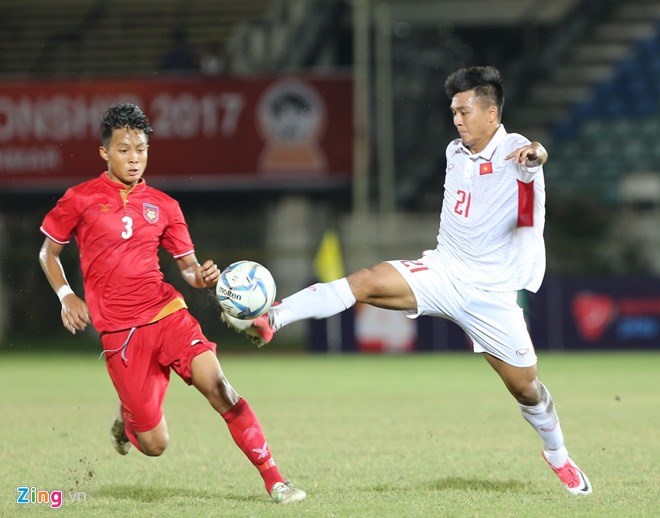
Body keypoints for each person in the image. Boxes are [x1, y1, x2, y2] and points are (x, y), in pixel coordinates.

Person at [223, 66, 593, 496]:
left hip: (492, 293)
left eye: (465, 111)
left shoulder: (512, 149)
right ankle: (275, 318)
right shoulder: (456, 151)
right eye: (453, 111)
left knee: (526, 387)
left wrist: (537, 154)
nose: (456, 119)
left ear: (491, 113)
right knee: (365, 280)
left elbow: (534, 155)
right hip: (443, 271)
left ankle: (558, 455)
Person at [38, 103, 306, 505]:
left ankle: (276, 480)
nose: (134, 158)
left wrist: (205, 277)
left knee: (220, 389)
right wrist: (66, 295)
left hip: (167, 314)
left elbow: (189, 269)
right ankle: (127, 419)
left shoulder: (165, 206)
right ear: (104, 153)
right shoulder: (80, 199)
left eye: (141, 149)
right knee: (155, 444)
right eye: (124, 149)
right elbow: (48, 254)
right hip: (121, 333)